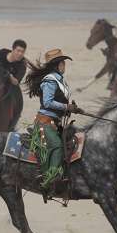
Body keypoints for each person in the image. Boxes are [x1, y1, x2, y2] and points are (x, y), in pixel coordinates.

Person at [24, 49, 85, 190]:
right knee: (57, 145)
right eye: (62, 63)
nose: (64, 65)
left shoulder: (58, 80)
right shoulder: (50, 80)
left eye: (64, 63)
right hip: (45, 122)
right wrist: (66, 106)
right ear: (57, 65)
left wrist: (73, 109)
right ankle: (50, 178)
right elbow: (47, 102)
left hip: (54, 122)